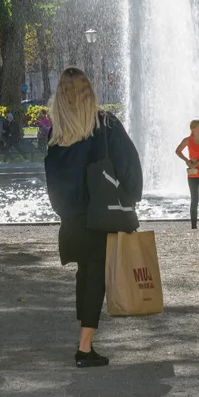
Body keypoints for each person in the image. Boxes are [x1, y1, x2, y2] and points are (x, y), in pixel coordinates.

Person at [44, 67, 141, 368]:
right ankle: (85, 348)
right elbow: (129, 168)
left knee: (85, 275)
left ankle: (83, 338)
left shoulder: (56, 132)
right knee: (95, 278)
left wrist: (65, 211)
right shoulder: (106, 125)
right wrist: (131, 197)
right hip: (101, 213)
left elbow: (52, 181)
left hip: (71, 218)